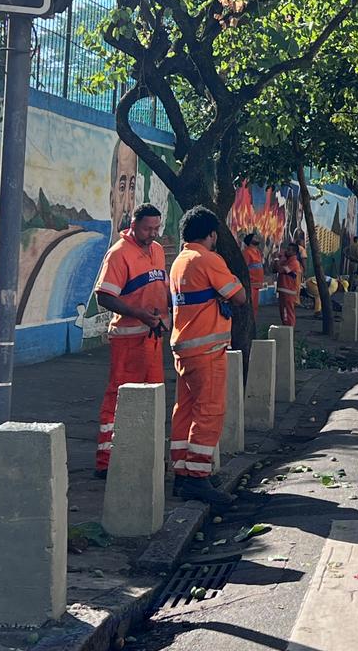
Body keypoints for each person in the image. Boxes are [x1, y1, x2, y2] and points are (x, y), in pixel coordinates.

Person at [169, 206, 246, 505]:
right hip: (207, 349)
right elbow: (238, 295)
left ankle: (182, 473)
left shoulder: (179, 261)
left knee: (184, 410)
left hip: (183, 347)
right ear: (212, 234)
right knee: (209, 410)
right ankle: (198, 477)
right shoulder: (208, 259)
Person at [91, 203, 169, 478]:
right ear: (133, 225)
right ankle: (107, 460)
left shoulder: (157, 251)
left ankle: (143, 453)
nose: (153, 234)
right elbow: (104, 296)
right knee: (120, 397)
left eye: (156, 228)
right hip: (128, 339)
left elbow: (160, 289)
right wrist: (139, 314)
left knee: (151, 395)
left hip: (152, 336)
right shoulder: (119, 254)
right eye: (148, 228)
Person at [275, 241, 302, 326]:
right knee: (284, 312)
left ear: (294, 252)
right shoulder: (286, 261)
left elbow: (280, 270)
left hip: (289, 292)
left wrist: (277, 259)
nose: (286, 251)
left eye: (289, 250)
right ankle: (286, 329)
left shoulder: (294, 263)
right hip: (284, 291)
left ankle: (289, 330)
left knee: (288, 313)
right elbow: (275, 269)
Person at [241, 233, 264, 325]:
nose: (257, 238)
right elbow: (244, 268)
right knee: (250, 307)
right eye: (255, 237)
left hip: (257, 284)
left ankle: (252, 324)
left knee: (254, 307)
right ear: (250, 240)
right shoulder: (247, 252)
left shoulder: (258, 252)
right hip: (251, 284)